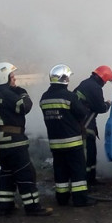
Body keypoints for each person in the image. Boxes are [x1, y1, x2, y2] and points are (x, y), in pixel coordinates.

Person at [0, 62, 53, 217]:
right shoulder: (7, 94)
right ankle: (32, 207)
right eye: (12, 76)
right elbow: (25, 107)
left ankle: (5, 205)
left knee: (7, 173)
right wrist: (23, 93)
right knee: (26, 173)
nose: (14, 79)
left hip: (2, 142)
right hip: (15, 141)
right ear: (5, 77)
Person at [40, 64, 96, 207]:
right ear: (64, 79)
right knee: (78, 171)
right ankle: (80, 199)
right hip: (72, 142)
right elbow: (82, 113)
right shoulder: (69, 96)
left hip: (55, 142)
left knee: (60, 171)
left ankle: (62, 198)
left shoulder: (44, 98)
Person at [73, 65, 112, 186]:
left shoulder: (86, 83)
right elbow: (100, 108)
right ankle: (85, 182)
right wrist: (107, 104)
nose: (105, 84)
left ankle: (91, 179)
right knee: (87, 154)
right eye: (106, 81)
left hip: (83, 123)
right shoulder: (95, 87)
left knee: (91, 152)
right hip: (84, 125)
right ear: (103, 78)